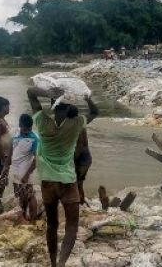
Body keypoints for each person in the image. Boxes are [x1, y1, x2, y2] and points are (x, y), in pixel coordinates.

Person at [27, 87, 98, 267]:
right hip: (68, 181)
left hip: (48, 182)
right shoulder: (75, 124)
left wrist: (49, 93)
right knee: (72, 226)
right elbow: (95, 112)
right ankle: (61, 263)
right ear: (68, 111)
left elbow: (30, 92)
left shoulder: (43, 123)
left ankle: (52, 263)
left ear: (53, 109)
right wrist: (87, 98)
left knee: (52, 224)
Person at [3, 114, 39, 222]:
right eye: (24, 128)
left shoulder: (35, 138)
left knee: (30, 195)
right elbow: (11, 151)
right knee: (19, 195)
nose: (26, 131)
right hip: (15, 170)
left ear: (31, 127)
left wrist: (27, 175)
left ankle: (33, 221)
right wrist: (6, 166)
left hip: (26, 171)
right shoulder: (15, 134)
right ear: (20, 125)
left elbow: (37, 160)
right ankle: (23, 216)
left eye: (29, 129)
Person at [74, 129, 91, 205]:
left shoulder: (78, 130)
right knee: (80, 184)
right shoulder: (82, 128)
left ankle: (79, 203)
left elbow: (79, 148)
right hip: (86, 159)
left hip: (81, 161)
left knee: (76, 184)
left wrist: (73, 159)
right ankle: (81, 202)